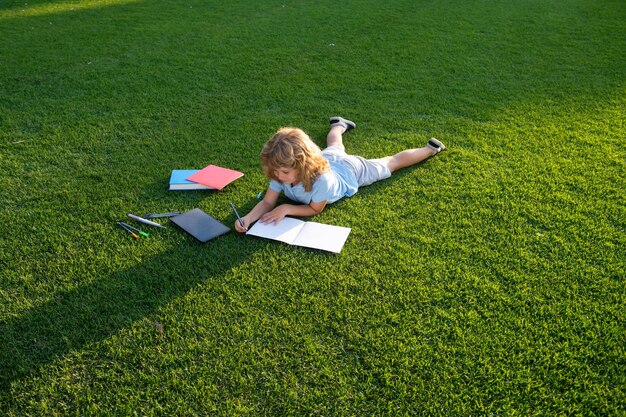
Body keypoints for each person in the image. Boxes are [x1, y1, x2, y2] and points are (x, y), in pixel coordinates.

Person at [234, 116, 445, 232]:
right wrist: (248, 217)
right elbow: (268, 202)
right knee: (334, 145)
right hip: (327, 159)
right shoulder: (280, 170)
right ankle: (339, 124)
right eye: (276, 171)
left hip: (349, 171)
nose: (279, 176)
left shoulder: (322, 182)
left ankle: (430, 149)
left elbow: (315, 209)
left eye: (285, 172)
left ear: (303, 165)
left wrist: (287, 208)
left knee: (390, 163)